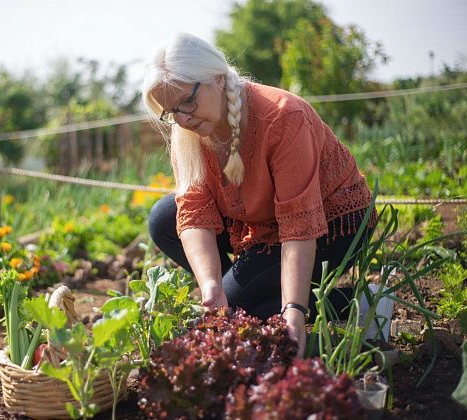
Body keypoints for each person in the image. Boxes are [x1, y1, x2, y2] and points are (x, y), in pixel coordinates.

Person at [142, 33, 376, 357]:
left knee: (239, 307)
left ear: (218, 79)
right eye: (171, 112)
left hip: (332, 220)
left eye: (187, 102)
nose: (182, 119)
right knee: (163, 218)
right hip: (264, 221)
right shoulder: (189, 132)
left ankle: (362, 302)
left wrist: (293, 309)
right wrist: (211, 285)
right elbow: (194, 210)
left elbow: (299, 225)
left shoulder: (283, 116)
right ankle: (242, 297)